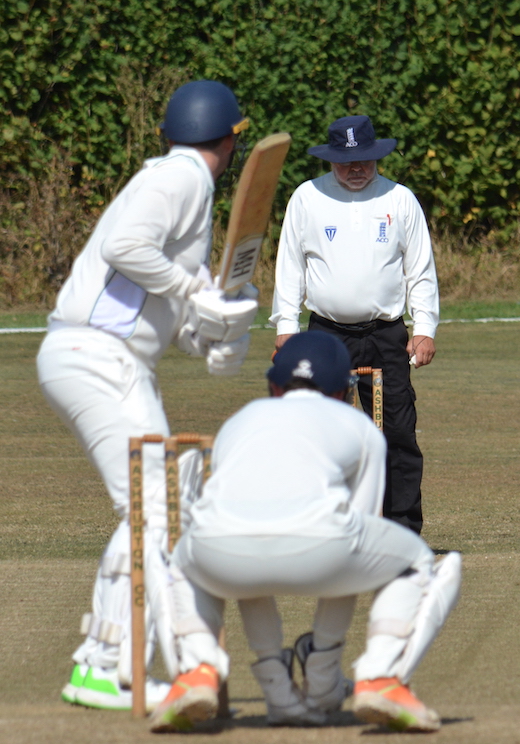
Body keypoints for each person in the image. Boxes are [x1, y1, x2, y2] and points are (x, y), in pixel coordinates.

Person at [36, 79, 259, 712]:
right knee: (158, 505)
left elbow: (155, 297)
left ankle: (104, 662)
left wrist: (214, 335)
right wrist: (194, 294)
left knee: (162, 501)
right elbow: (124, 248)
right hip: (96, 357)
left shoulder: (185, 185)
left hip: (111, 359)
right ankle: (107, 666)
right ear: (227, 141)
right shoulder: (181, 177)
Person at [148, 331, 461, 733]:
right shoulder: (358, 425)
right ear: (342, 391)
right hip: (325, 546)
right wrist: (324, 662)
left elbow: (243, 531)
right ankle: (380, 675)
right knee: (418, 558)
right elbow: (362, 527)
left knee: (183, 560)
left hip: (219, 550)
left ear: (275, 387)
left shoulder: (239, 421)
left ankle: (197, 669)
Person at [270, 114, 439, 536]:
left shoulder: (399, 199)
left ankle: (401, 533)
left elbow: (420, 269)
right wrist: (285, 328)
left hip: (386, 334)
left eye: (364, 160)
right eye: (347, 162)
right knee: (321, 434)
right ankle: (324, 528)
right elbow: (290, 267)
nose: (356, 169)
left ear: (376, 157)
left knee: (397, 431)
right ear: (331, 160)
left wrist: (425, 328)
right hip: (326, 335)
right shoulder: (307, 198)